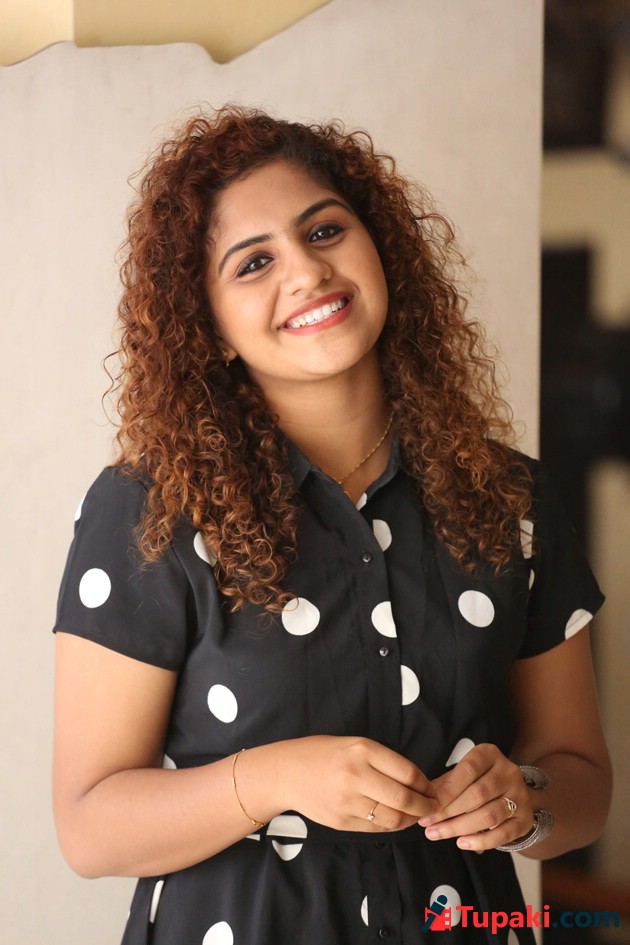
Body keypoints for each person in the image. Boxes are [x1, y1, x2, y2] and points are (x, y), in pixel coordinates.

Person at [52, 105, 611, 945]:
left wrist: (524, 800)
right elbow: (88, 825)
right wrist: (273, 778)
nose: (307, 271)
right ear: (210, 326)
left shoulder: (510, 497)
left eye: (324, 230)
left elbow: (584, 784)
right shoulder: (150, 509)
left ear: (380, 248)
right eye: (254, 262)